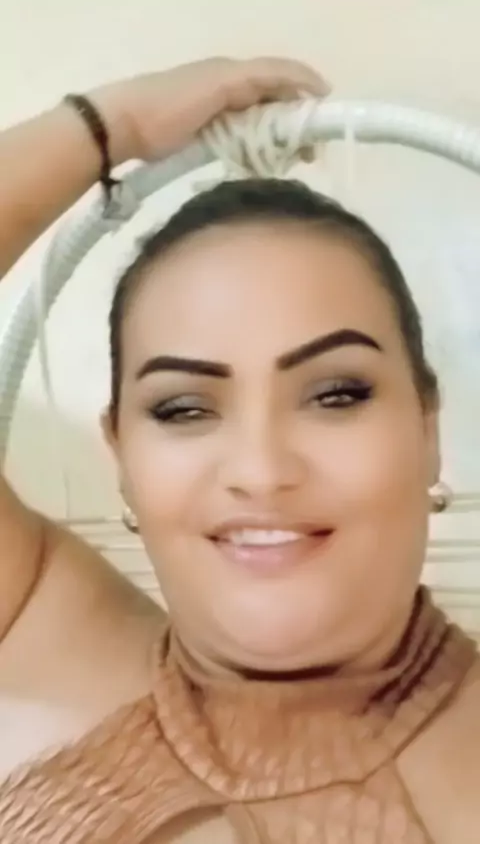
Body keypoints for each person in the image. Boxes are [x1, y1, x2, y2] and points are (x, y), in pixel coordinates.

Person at [0, 55, 478, 844]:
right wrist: (107, 126)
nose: (260, 471)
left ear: (426, 429)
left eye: (335, 395)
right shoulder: (31, 624)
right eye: (185, 408)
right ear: (122, 454)